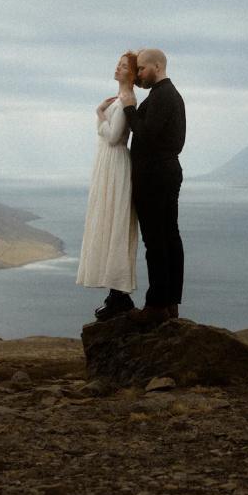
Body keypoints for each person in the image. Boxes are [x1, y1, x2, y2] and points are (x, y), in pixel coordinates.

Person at [119, 48, 186, 324]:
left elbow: (146, 133)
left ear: (157, 66)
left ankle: (157, 305)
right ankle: (170, 302)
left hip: (154, 175)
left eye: (142, 69)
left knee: (156, 240)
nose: (139, 75)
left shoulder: (162, 96)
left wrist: (129, 107)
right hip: (166, 172)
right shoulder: (170, 95)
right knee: (169, 236)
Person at [76, 52, 140, 321]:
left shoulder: (126, 99)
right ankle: (116, 294)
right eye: (118, 64)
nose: (117, 68)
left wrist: (99, 114)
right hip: (109, 163)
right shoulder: (120, 98)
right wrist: (102, 115)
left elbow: (113, 137)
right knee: (108, 221)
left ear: (133, 74)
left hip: (115, 163)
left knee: (115, 223)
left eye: (124, 66)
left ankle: (119, 295)